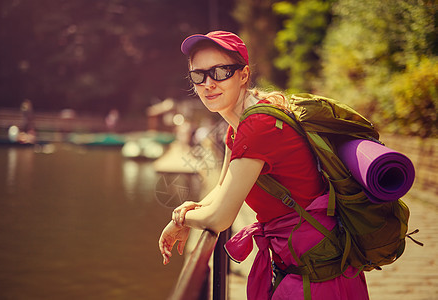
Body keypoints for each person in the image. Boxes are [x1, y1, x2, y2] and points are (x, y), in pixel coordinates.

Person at [158, 30, 369, 300]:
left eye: (220, 71)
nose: (208, 83)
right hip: (303, 262)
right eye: (199, 75)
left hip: (317, 273)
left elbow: (221, 217)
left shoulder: (258, 126)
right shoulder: (239, 126)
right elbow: (222, 189)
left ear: (243, 74)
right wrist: (191, 207)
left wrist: (181, 219)